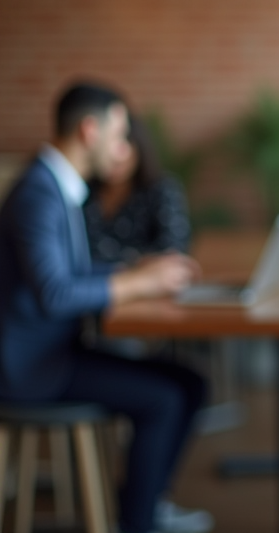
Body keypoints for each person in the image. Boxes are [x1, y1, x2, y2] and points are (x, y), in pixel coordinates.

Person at [0, 83, 212, 533]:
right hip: (31, 369)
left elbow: (70, 273)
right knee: (166, 398)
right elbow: (55, 293)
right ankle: (137, 520)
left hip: (51, 353)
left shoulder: (53, 185)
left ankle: (144, 501)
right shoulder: (39, 192)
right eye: (118, 135)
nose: (122, 148)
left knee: (189, 382)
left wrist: (134, 268)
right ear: (89, 129)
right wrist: (137, 281)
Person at [84, 114, 191, 266]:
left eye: (122, 144)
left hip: (150, 285)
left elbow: (174, 248)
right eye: (110, 143)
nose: (116, 155)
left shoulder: (161, 189)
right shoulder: (82, 191)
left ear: (138, 148)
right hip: (91, 285)